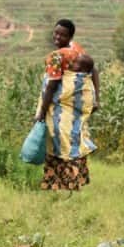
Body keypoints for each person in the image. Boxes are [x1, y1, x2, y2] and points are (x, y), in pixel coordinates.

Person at [32, 20, 98, 191]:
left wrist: (42, 111)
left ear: (70, 36)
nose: (57, 37)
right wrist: (96, 97)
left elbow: (51, 87)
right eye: (56, 33)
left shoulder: (57, 56)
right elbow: (94, 71)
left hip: (60, 110)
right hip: (75, 111)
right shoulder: (78, 49)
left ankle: (62, 185)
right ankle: (75, 183)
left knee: (59, 145)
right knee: (74, 142)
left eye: (62, 34)